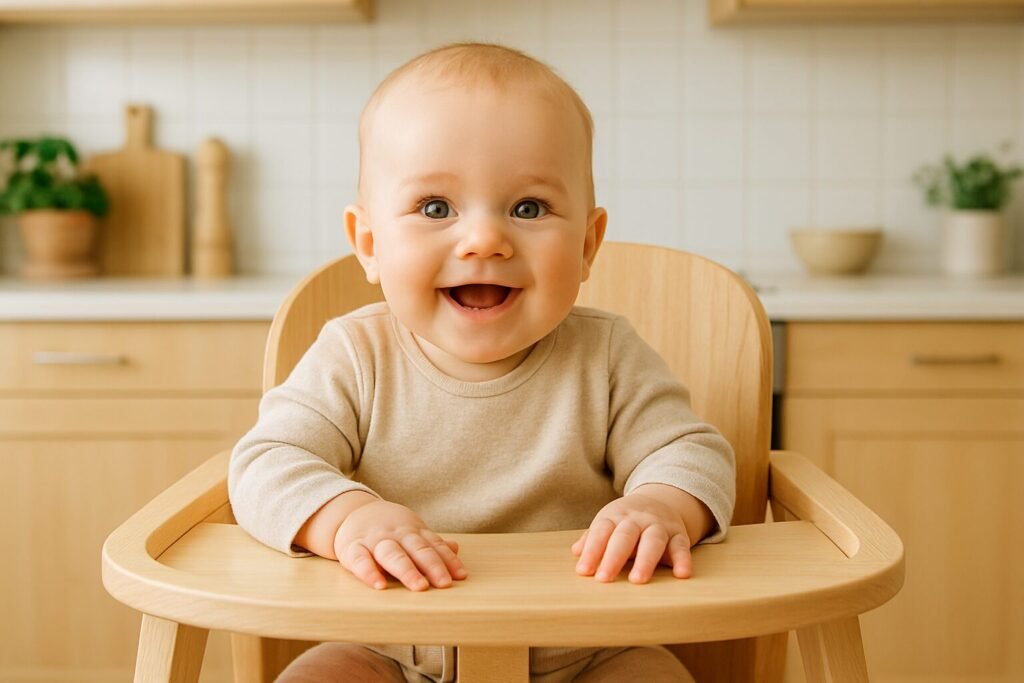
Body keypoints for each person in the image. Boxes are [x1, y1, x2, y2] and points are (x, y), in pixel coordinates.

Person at [229, 42, 736, 683]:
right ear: (369, 244)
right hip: (389, 646)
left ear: (587, 245)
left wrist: (663, 505)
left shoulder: (606, 356)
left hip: (585, 651)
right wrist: (346, 518)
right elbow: (265, 463)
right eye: (436, 208)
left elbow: (694, 451)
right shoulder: (353, 356)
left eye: (528, 208)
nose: (485, 240)